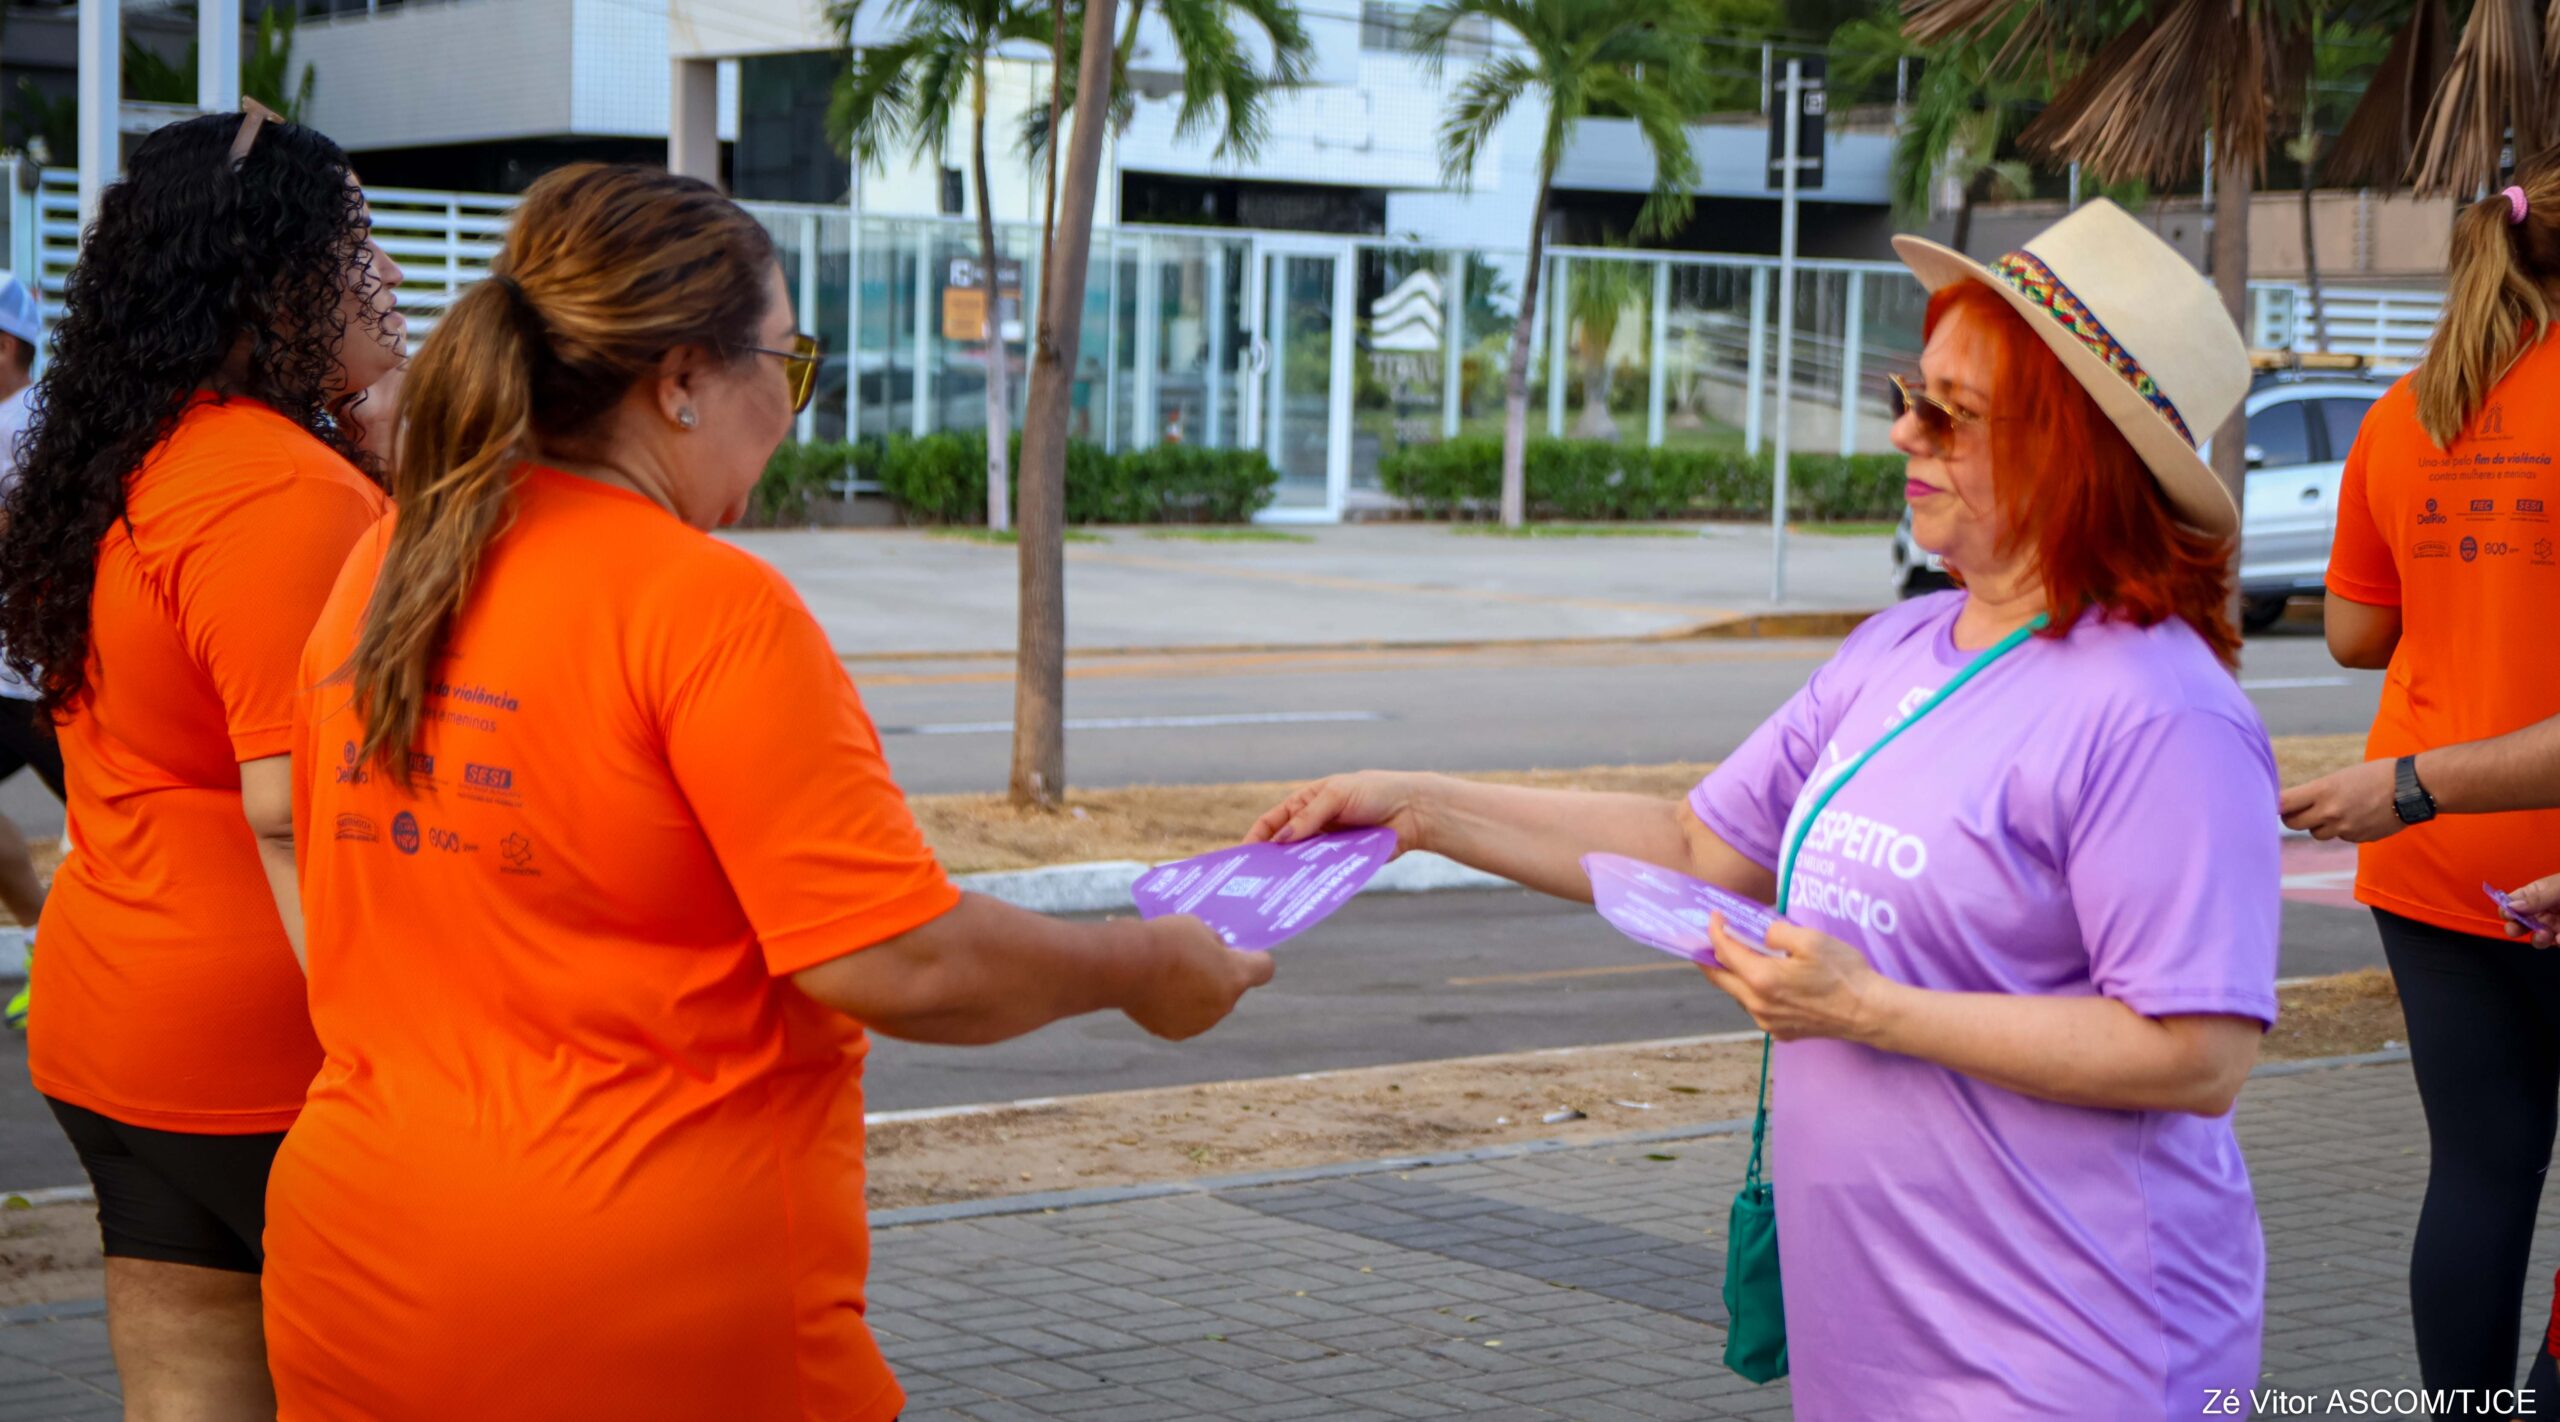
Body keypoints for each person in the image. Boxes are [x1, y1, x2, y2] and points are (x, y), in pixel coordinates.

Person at [264, 163, 1270, 1421]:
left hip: (355, 1268)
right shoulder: (705, 611)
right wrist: (1142, 968)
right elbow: (898, 962)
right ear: (681, 378)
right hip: (638, 1320)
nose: (794, 412)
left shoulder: (389, 565)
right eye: (787, 369)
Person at [1251, 200, 2279, 1417]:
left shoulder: (2162, 714)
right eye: (1909, 390)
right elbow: (1697, 845)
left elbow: (2195, 1054)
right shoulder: (1897, 647)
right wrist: (1415, 807)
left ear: (2070, 449)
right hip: (1877, 1338)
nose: (1900, 430)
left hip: (2073, 1343)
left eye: (1947, 414)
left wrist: (1870, 1011)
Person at [0, 106, 403, 1418]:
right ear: (275, 277)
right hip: (266, 1047)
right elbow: (307, 813)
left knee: (189, 1391)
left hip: (108, 1020)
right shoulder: (282, 490)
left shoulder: (117, 457)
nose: (389, 272)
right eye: (356, 238)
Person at [2278, 163, 2560, 1405]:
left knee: (2478, 1173)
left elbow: (2351, 632)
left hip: (2431, 860)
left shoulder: (2403, 415)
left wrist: (2466, 590)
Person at [0, 273, 63, 1028]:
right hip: (8, 677)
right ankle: (46, 946)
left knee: (126, 838)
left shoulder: (30, 422)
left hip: (45, 678)